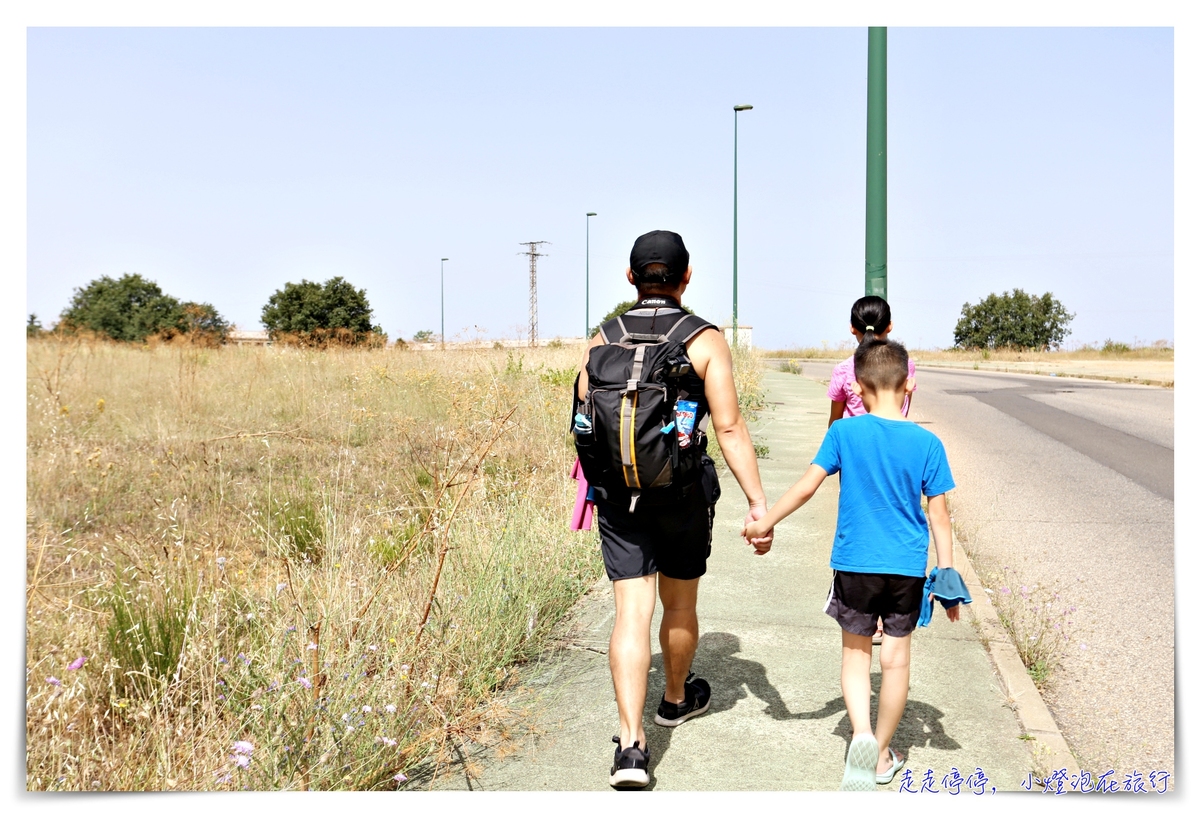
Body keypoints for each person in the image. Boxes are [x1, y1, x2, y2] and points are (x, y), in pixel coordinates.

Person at [576, 230, 774, 788]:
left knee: (630, 612)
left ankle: (632, 747)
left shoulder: (602, 339)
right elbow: (730, 426)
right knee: (679, 605)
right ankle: (674, 698)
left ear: (631, 278)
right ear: (687, 277)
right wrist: (759, 505)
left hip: (617, 496)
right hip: (681, 493)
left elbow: (588, 421)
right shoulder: (703, 339)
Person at [742, 335, 959, 791]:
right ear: (910, 383)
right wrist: (947, 574)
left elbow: (806, 486)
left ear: (856, 388)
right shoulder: (928, 442)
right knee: (896, 661)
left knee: (856, 656)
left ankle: (859, 733)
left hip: (855, 564)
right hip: (906, 568)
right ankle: (881, 752)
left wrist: (766, 521)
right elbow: (939, 514)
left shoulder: (843, 432)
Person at [826, 295, 917, 645]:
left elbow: (835, 420)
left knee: (857, 524)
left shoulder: (844, 370)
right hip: (896, 460)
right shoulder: (904, 367)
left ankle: (867, 615)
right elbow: (905, 414)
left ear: (852, 328)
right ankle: (887, 613)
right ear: (889, 327)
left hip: (855, 458)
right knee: (894, 522)